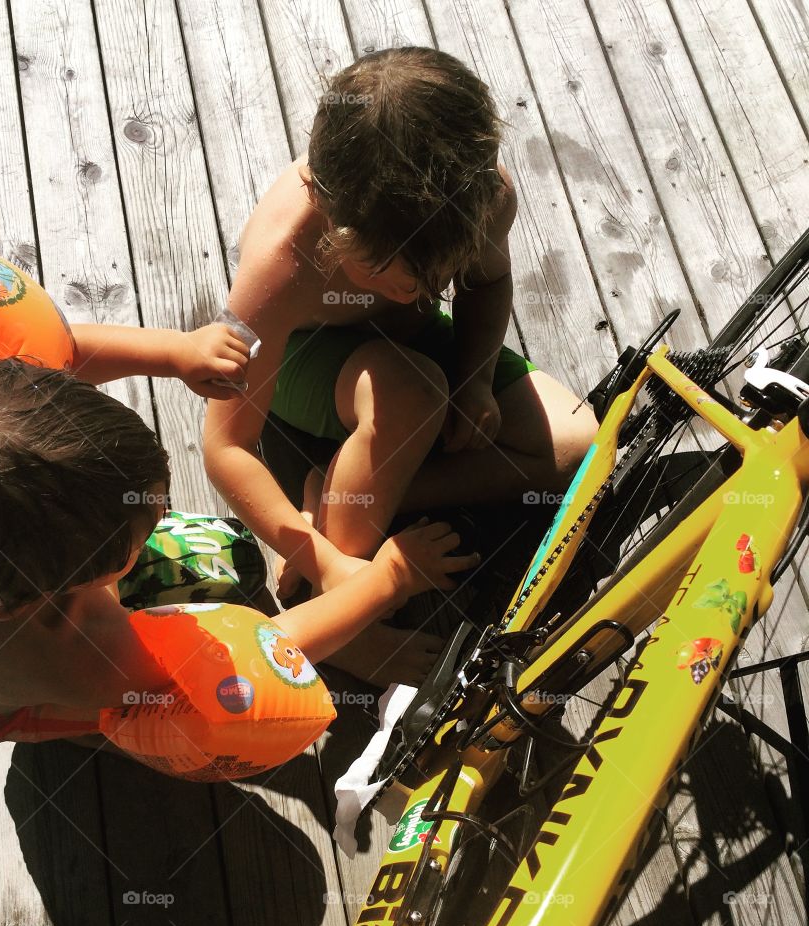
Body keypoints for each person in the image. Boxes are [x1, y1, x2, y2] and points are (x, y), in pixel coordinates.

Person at [202, 47, 599, 680]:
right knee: (412, 392)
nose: (418, 286)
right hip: (310, 355)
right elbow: (226, 447)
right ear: (330, 217)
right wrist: (329, 565)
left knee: (577, 448)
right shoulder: (283, 258)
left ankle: (332, 492)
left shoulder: (481, 195)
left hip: (409, 347)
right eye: (388, 272)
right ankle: (340, 614)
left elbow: (486, 283)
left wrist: (475, 381)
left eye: (433, 274)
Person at [0, 360, 475, 751]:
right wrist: (391, 580)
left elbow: (73, 347)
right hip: (52, 701)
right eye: (137, 533)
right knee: (178, 709)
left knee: (230, 553)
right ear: (51, 591)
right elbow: (246, 658)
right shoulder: (81, 656)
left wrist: (175, 352)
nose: (160, 516)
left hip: (57, 589)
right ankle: (350, 640)